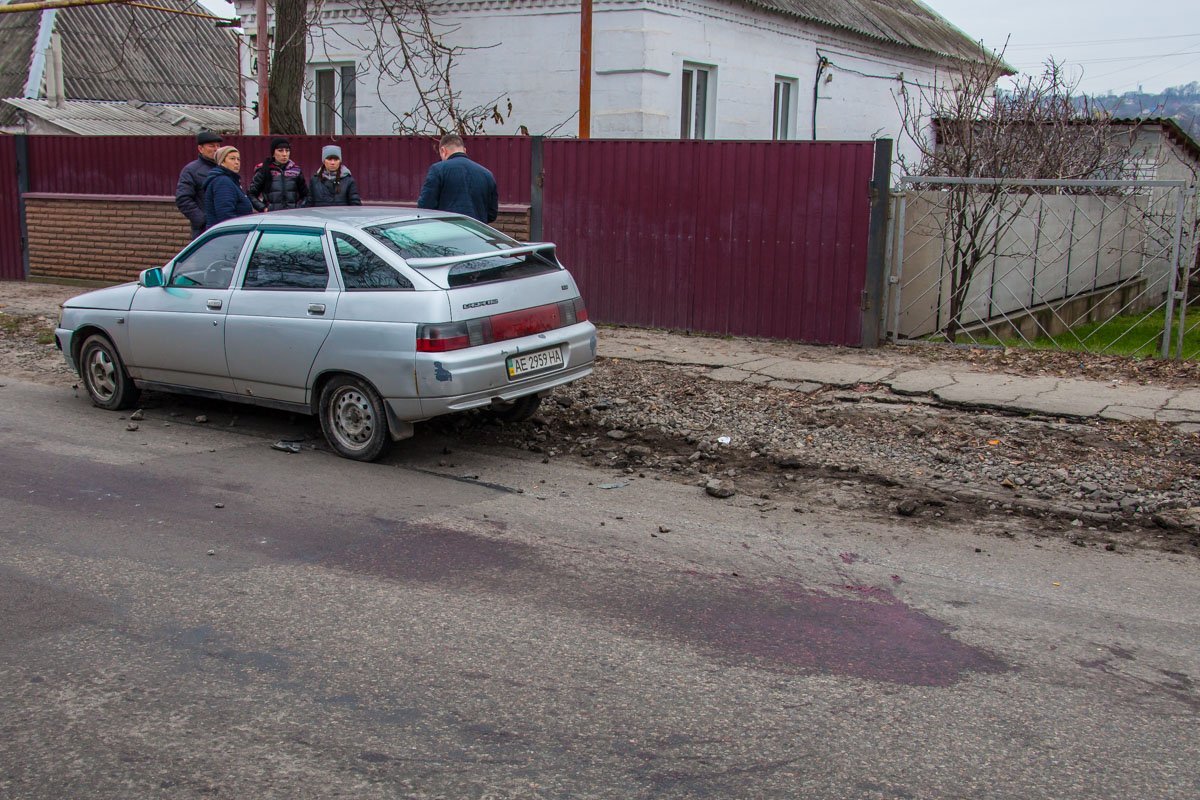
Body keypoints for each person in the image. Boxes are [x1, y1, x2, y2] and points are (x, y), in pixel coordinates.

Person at [416, 133, 498, 223]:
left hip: (447, 232)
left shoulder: (438, 170)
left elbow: (425, 207)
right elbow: (492, 214)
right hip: (477, 233)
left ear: (443, 150)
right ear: (464, 150)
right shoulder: (486, 174)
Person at [175, 129, 222, 239]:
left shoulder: (224, 168)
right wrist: (202, 220)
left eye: (218, 146)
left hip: (225, 226)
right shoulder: (191, 170)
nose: (216, 149)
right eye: (211, 146)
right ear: (200, 149)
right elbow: (183, 199)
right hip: (205, 231)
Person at [248, 137, 307, 212]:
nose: (284, 154)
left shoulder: (296, 171)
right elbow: (251, 194)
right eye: (280, 151)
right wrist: (263, 208)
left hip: (293, 216)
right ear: (273, 153)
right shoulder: (264, 170)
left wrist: (299, 208)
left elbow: (306, 195)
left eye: (287, 151)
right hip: (272, 216)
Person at [202, 146, 254, 228]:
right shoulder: (222, 182)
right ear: (222, 162)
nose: (237, 162)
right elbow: (225, 215)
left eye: (238, 159)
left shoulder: (231, 180)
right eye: (232, 159)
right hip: (228, 234)